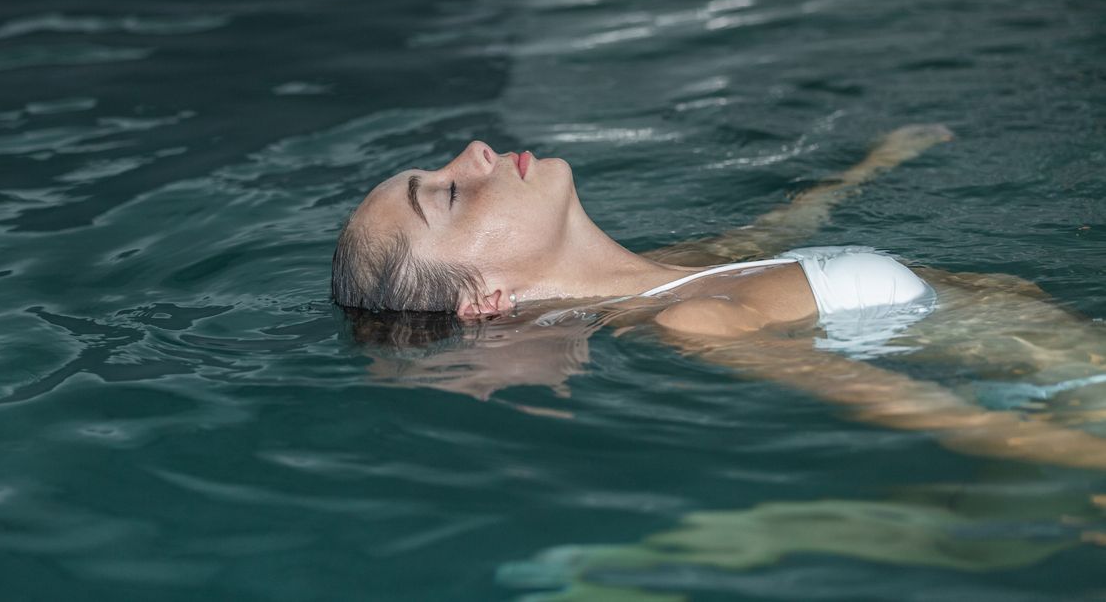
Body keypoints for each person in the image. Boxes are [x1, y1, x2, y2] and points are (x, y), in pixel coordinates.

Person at [331, 127, 1106, 470]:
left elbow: (782, 230)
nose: (473, 155)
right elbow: (916, 410)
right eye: (449, 197)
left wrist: (877, 162)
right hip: (1076, 403)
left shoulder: (684, 272)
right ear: (487, 302)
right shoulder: (693, 317)